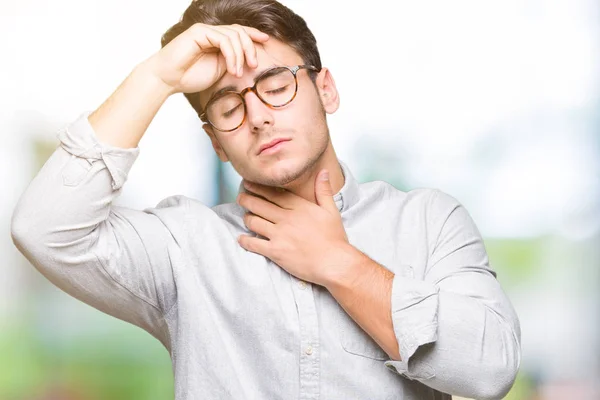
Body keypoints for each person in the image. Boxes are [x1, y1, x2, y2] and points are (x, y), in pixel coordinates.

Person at [10, 0, 521, 399]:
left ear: (327, 90)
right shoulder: (185, 246)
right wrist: (157, 77)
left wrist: (338, 264)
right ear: (217, 143)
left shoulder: (429, 221)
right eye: (229, 106)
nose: (257, 115)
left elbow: (490, 368)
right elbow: (44, 229)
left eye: (276, 83)